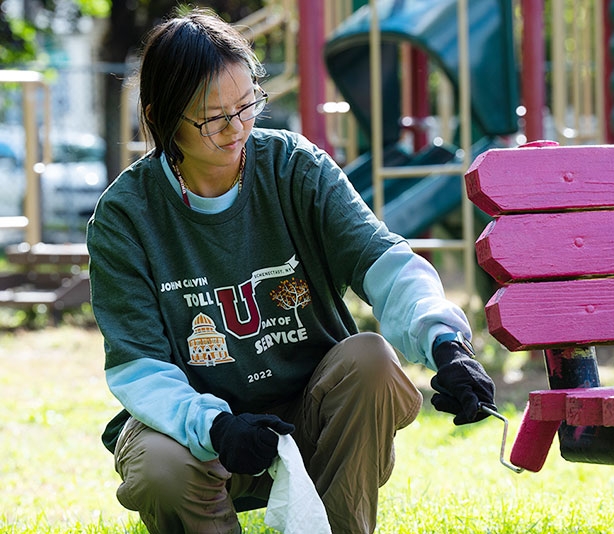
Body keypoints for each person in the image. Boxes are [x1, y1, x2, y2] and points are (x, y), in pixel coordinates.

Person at [87, 6, 496, 534]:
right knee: (159, 470)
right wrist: (216, 426)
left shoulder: (293, 166)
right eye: (214, 118)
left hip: (308, 415)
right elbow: (138, 368)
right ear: (163, 117)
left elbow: (382, 261)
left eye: (247, 104)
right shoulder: (125, 216)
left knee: (370, 359)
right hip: (195, 433)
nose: (238, 129)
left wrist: (445, 343)